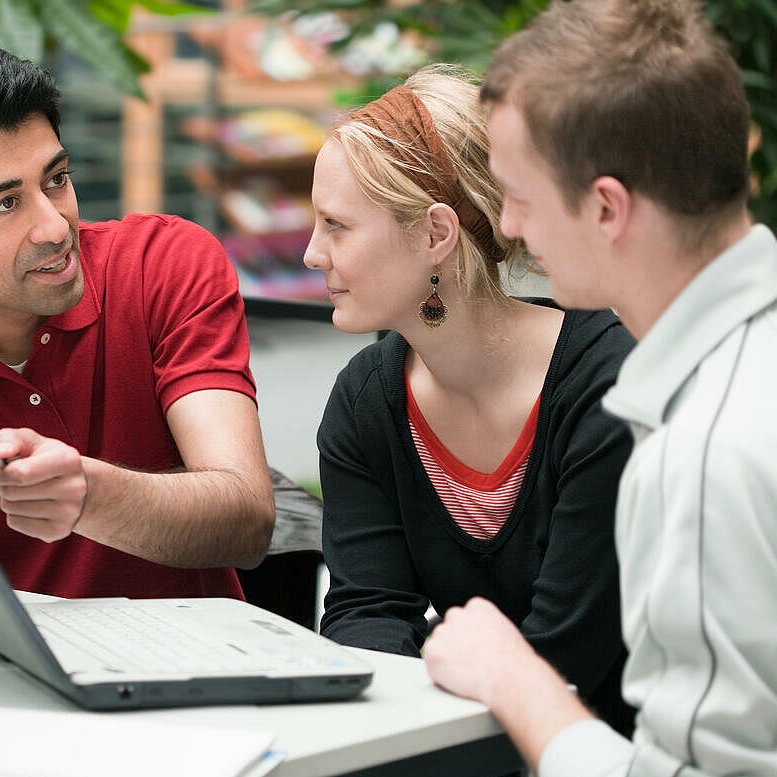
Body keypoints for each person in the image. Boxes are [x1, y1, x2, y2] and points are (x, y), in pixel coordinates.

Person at [422, 1, 777, 775]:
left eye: (518, 193)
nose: (509, 225)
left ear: (606, 206)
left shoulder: (705, 455)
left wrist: (516, 680)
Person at [0, 41, 274, 600]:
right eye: (6, 204)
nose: (56, 227)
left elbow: (246, 519)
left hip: (196, 667)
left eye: (56, 179)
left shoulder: (164, 263)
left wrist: (91, 494)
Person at [304, 65, 635, 733]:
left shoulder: (606, 387)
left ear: (434, 235)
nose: (312, 254)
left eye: (335, 225)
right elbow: (365, 617)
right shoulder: (364, 403)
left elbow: (570, 656)